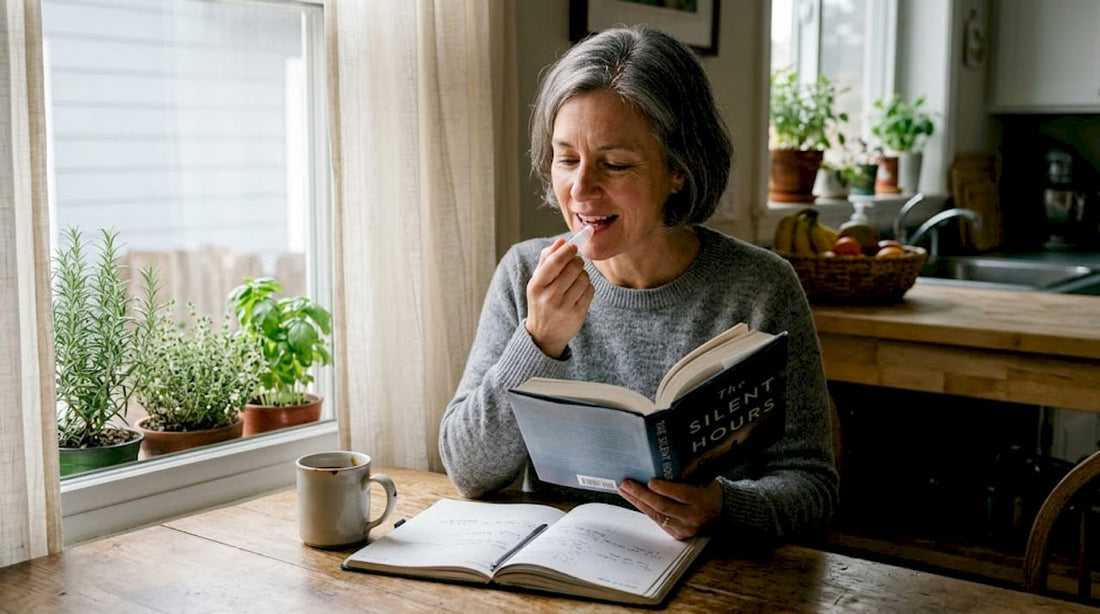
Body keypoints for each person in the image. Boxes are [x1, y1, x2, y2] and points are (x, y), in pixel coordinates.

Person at [439, 25, 838, 546]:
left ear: (678, 170)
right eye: (566, 159)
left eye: (615, 164)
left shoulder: (760, 287)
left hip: (713, 582)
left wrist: (724, 508)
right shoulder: (524, 273)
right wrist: (537, 341)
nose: (581, 189)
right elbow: (468, 470)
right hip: (558, 578)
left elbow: (813, 488)